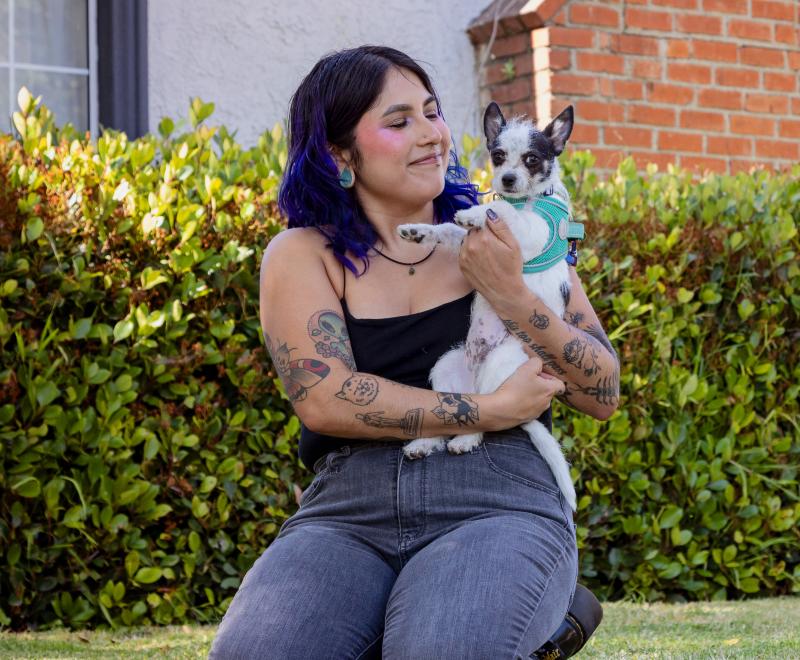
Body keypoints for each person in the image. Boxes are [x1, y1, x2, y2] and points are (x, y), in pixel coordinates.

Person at [209, 45, 619, 659]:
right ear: (339, 154)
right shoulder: (302, 254)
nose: (432, 134)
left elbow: (601, 391)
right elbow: (326, 399)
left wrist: (510, 292)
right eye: (399, 121)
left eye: (432, 112)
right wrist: (489, 409)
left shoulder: (500, 234)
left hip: (497, 497)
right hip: (349, 511)